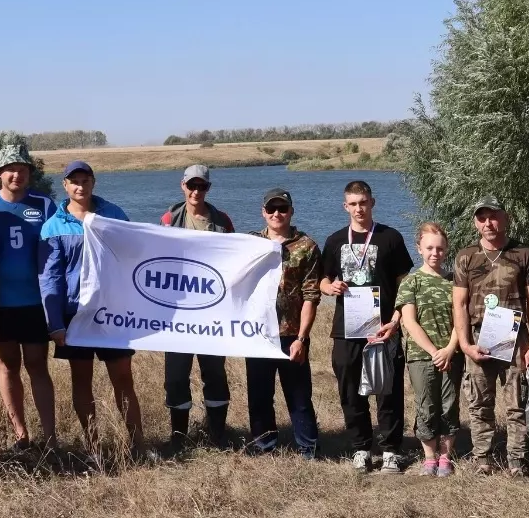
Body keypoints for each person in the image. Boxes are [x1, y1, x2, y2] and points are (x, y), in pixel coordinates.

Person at [40, 161, 146, 456]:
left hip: (112, 311)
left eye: (85, 180)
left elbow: (136, 252)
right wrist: (55, 323)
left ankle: (137, 444)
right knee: (81, 379)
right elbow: (50, 278)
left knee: (123, 377)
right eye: (74, 181)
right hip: (75, 315)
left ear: (93, 182)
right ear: (65, 185)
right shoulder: (53, 226)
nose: (80, 186)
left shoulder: (113, 214)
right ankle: (93, 447)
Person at [320, 180, 414, 473]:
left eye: (363, 202)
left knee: (388, 389)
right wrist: (330, 286)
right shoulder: (336, 241)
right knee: (350, 390)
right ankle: (360, 448)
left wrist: (396, 321)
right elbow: (322, 281)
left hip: (383, 327)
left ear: (372, 202)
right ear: (345, 206)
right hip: (346, 329)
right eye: (353, 203)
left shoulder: (391, 238)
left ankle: (390, 450)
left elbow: (405, 287)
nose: (359, 208)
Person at [0, 144, 57, 450]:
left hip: (35, 303)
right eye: (10, 169)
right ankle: (21, 435)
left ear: (29, 173)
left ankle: (50, 436)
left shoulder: (44, 205)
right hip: (0, 304)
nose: (16, 174)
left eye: (22, 169)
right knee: (8, 365)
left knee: (37, 365)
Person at [452, 197, 529, 476]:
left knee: (516, 402)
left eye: (493, 216)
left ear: (506, 217)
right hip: (479, 337)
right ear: (476, 223)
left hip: (514, 338)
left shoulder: (524, 253)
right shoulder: (465, 256)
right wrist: (465, 344)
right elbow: (459, 304)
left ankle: (517, 461)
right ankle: (483, 460)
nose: (488, 223)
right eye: (482, 218)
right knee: (480, 402)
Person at [160, 164, 236, 450]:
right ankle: (178, 438)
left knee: (215, 374)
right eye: (191, 185)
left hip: (212, 313)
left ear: (208, 188)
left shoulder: (223, 221)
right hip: (177, 315)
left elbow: (235, 259)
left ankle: (217, 435)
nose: (195, 191)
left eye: (201, 186)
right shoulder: (169, 219)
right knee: (176, 377)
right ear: (182, 186)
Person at [244, 187, 322, 457]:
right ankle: (264, 445)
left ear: (291, 211)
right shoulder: (250, 243)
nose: (277, 213)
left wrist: (302, 338)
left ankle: (307, 448)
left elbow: (311, 295)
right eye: (271, 209)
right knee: (260, 395)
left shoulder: (307, 246)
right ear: (263, 213)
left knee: (299, 396)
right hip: (257, 333)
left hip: (291, 334)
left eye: (283, 209)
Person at [398, 223, 462, 477]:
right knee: (426, 405)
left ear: (446, 250)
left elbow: (461, 320)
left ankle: (446, 456)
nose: (435, 253)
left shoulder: (454, 282)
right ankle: (429, 456)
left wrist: (449, 349)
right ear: (419, 249)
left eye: (440, 248)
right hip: (420, 356)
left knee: (449, 404)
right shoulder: (411, 281)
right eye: (429, 248)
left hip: (451, 354)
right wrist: (434, 350)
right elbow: (409, 321)